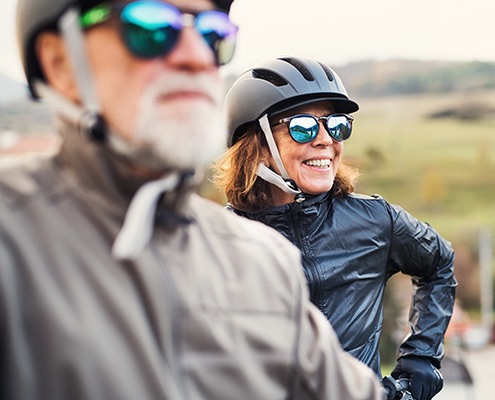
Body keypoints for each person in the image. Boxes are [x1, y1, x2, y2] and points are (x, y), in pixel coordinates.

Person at [0, 1, 384, 399]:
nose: (197, 55)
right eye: (151, 26)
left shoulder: (263, 262)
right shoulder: (12, 245)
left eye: (212, 33)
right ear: (61, 62)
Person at [213, 56, 458, 400]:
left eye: (337, 125)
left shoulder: (375, 221)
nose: (326, 140)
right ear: (259, 147)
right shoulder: (217, 243)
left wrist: (421, 359)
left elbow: (439, 264)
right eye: (303, 127)